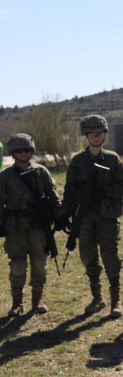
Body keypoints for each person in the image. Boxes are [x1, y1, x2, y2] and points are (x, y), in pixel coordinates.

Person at [61, 115, 123, 318]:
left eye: (100, 133)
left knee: (111, 256)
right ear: (87, 136)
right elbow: (69, 189)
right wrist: (65, 213)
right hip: (85, 217)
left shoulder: (112, 158)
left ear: (104, 135)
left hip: (107, 215)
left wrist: (105, 192)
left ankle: (116, 301)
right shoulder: (77, 161)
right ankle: (97, 299)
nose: (97, 137)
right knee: (88, 257)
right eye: (93, 134)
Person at [0, 133, 61, 316]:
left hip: (38, 226)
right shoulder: (6, 176)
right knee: (18, 265)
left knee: (39, 264)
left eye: (26, 150)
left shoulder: (41, 171)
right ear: (13, 152)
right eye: (19, 150)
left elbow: (53, 195)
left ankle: (37, 300)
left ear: (31, 151)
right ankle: (17, 303)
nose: (23, 153)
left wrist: (59, 216)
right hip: (15, 227)